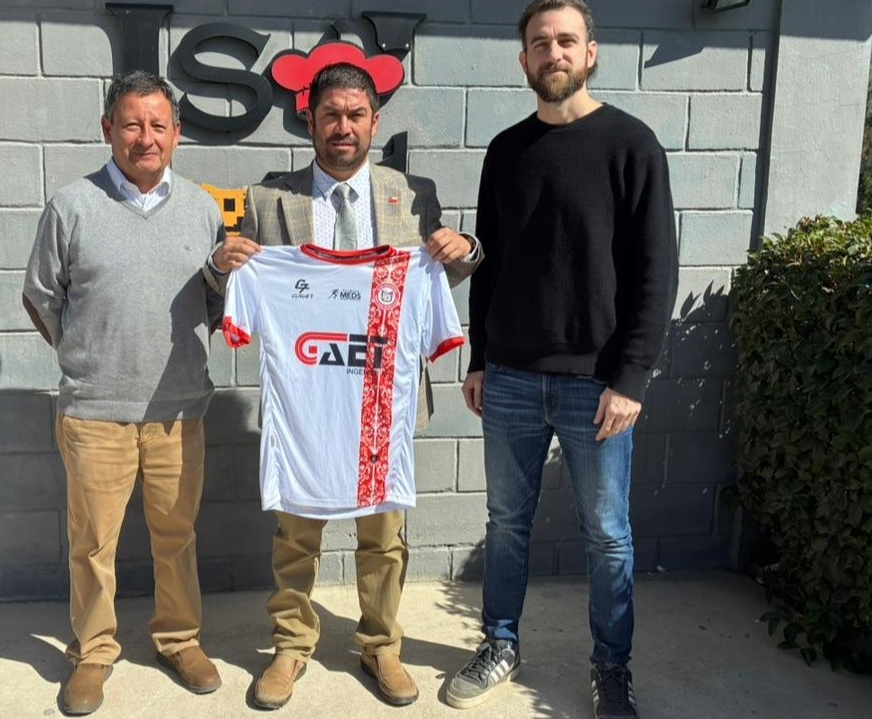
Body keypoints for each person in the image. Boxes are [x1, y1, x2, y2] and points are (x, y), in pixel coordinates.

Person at [206, 62, 482, 710]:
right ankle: (291, 644)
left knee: (384, 536)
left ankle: (381, 643)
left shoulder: (413, 194)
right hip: (307, 406)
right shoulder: (268, 200)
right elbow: (235, 287)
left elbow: (434, 280)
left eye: (356, 115)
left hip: (384, 402)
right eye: (330, 114)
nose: (343, 127)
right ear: (310, 121)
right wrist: (221, 266)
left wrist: (465, 248)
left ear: (374, 123)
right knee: (296, 535)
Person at [444, 2, 677, 718]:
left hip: (597, 385)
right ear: (524, 61)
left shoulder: (632, 145)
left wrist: (631, 379)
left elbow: (656, 271)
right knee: (506, 522)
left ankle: (611, 665)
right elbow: (489, 263)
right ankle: (500, 642)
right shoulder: (505, 151)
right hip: (511, 377)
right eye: (540, 43)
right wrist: (481, 358)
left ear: (591, 52)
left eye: (566, 40)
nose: (554, 53)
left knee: (608, 535)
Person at [22, 70, 226, 716]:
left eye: (158, 125)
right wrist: (84, 355)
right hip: (94, 412)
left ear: (177, 134)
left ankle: (179, 638)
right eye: (132, 124)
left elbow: (217, 303)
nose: (146, 137)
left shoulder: (202, 209)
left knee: (177, 535)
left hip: (178, 411)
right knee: (92, 545)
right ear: (108, 129)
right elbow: (40, 296)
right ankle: (93, 651)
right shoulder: (71, 206)